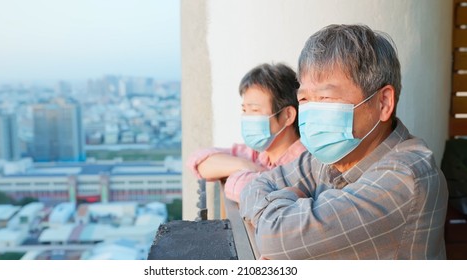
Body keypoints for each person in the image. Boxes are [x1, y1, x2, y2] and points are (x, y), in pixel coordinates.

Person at [239, 24, 448, 259]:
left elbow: (273, 240)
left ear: (383, 102)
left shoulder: (407, 178)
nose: (312, 110)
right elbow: (253, 188)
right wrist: (286, 211)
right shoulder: (331, 157)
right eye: (305, 98)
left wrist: (288, 200)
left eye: (326, 97)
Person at [187, 63, 306, 203]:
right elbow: (198, 161)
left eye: (255, 110)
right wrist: (246, 166)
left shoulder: (304, 164)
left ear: (288, 115)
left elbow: (240, 189)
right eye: (244, 110)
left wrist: (238, 175)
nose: (247, 117)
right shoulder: (258, 155)